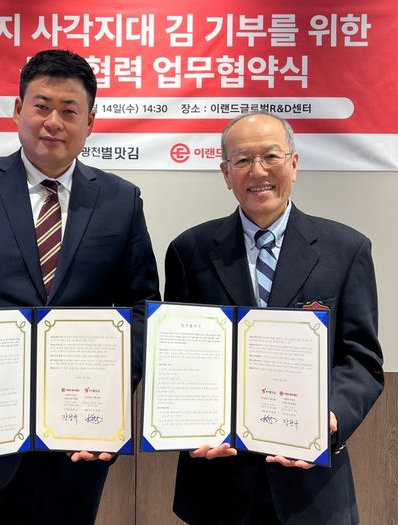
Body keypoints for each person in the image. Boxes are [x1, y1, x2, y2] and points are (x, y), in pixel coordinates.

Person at [0, 49, 160, 524]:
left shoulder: (121, 200)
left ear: (90, 122)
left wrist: (116, 393)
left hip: (79, 437)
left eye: (69, 110)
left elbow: (142, 306)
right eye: (41, 106)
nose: (53, 122)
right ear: (18, 110)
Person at [164, 111, 384, 525]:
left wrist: (330, 419)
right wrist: (187, 427)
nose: (258, 171)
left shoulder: (345, 249)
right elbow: (177, 359)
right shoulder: (189, 251)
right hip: (217, 482)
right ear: (225, 173)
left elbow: (361, 359)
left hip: (311, 485)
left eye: (270, 156)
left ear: (294, 164)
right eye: (242, 160)